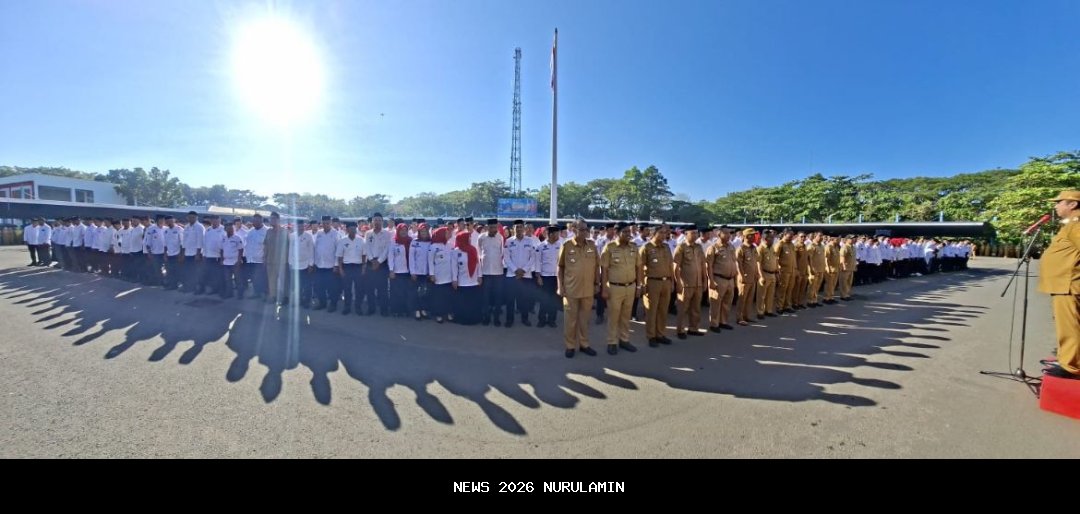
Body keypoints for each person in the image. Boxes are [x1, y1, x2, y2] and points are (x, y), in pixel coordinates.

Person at [1039, 190, 1080, 380]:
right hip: (1064, 284)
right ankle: (1067, 358)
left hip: (1068, 284)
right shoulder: (1070, 225)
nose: (1056, 206)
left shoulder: (1076, 225)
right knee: (1068, 324)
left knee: (1069, 326)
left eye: (1059, 202)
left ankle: (1071, 367)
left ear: (1073, 204)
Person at [558, 219, 599, 358]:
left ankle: (584, 344)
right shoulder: (567, 245)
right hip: (571, 289)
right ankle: (570, 346)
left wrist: (597, 284)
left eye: (586, 230)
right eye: (582, 230)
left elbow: (597, 266)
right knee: (571, 320)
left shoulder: (592, 245)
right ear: (574, 230)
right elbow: (560, 267)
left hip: (588, 289)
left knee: (585, 320)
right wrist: (560, 286)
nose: (585, 232)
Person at [599, 222, 639, 355]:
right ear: (617, 233)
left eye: (629, 232)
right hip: (615, 287)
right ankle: (612, 342)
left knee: (626, 316)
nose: (628, 234)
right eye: (625, 232)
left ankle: (624, 340)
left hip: (630, 286)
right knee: (614, 316)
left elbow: (638, 267)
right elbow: (604, 269)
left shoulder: (634, 247)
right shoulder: (609, 247)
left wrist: (639, 285)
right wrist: (604, 288)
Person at [641, 224, 675, 346]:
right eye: (661, 232)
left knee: (663, 310)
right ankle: (651, 336)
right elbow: (640, 267)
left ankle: (660, 334)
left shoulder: (666, 247)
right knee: (652, 311)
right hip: (652, 282)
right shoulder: (646, 248)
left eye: (665, 232)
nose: (664, 235)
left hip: (666, 282)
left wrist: (672, 281)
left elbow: (670, 265)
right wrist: (642, 284)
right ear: (653, 234)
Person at [673, 225, 707, 338]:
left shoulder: (698, 247)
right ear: (686, 234)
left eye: (696, 233)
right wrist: (678, 282)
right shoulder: (681, 247)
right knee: (683, 309)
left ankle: (693, 328)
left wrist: (705, 280)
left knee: (696, 308)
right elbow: (676, 267)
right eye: (692, 233)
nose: (695, 235)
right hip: (686, 284)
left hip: (698, 283)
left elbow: (703, 265)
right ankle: (680, 330)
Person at [706, 227, 738, 332]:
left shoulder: (731, 247)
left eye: (730, 233)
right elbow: (709, 266)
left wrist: (735, 278)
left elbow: (734, 262)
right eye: (726, 233)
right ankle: (714, 324)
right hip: (719, 278)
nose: (729, 235)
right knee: (716, 303)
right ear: (719, 234)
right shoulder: (713, 247)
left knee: (727, 302)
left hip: (730, 279)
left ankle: (723, 321)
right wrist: (711, 281)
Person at [452, 231, 483, 325]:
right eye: (468, 237)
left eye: (470, 237)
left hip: (473, 280)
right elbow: (454, 266)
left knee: (473, 302)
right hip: (462, 281)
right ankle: (463, 319)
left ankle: (474, 319)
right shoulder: (456, 251)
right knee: (463, 302)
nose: (470, 239)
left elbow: (478, 263)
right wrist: (454, 279)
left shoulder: (473, 249)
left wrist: (480, 276)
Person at [534, 226, 562, 328]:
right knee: (544, 299)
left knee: (554, 300)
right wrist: (538, 277)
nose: (558, 236)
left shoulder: (560, 245)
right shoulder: (541, 246)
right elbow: (537, 262)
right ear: (550, 234)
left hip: (556, 277)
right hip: (545, 277)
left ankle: (552, 320)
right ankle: (541, 320)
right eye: (556, 234)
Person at [335, 221, 365, 315]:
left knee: (359, 288)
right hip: (346, 267)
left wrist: (363, 268)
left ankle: (358, 306)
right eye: (350, 229)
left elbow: (364, 255)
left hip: (358, 267)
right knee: (347, 289)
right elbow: (340, 256)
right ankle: (347, 306)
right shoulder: (342, 241)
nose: (353, 230)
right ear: (347, 230)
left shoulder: (361, 240)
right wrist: (340, 269)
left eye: (354, 229)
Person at [427, 227, 454, 323]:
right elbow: (430, 262)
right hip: (438, 275)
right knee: (439, 297)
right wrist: (432, 274)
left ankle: (448, 313)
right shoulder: (433, 246)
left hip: (449, 275)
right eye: (446, 233)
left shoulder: (449, 245)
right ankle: (439, 314)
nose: (448, 234)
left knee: (448, 296)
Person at [735, 228, 759, 326]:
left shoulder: (754, 248)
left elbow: (756, 262)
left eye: (754, 235)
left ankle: (746, 316)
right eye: (751, 235)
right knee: (742, 298)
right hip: (744, 277)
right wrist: (741, 275)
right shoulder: (741, 248)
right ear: (745, 236)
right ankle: (739, 317)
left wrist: (757, 273)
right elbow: (738, 263)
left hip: (752, 277)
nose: (754, 237)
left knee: (749, 298)